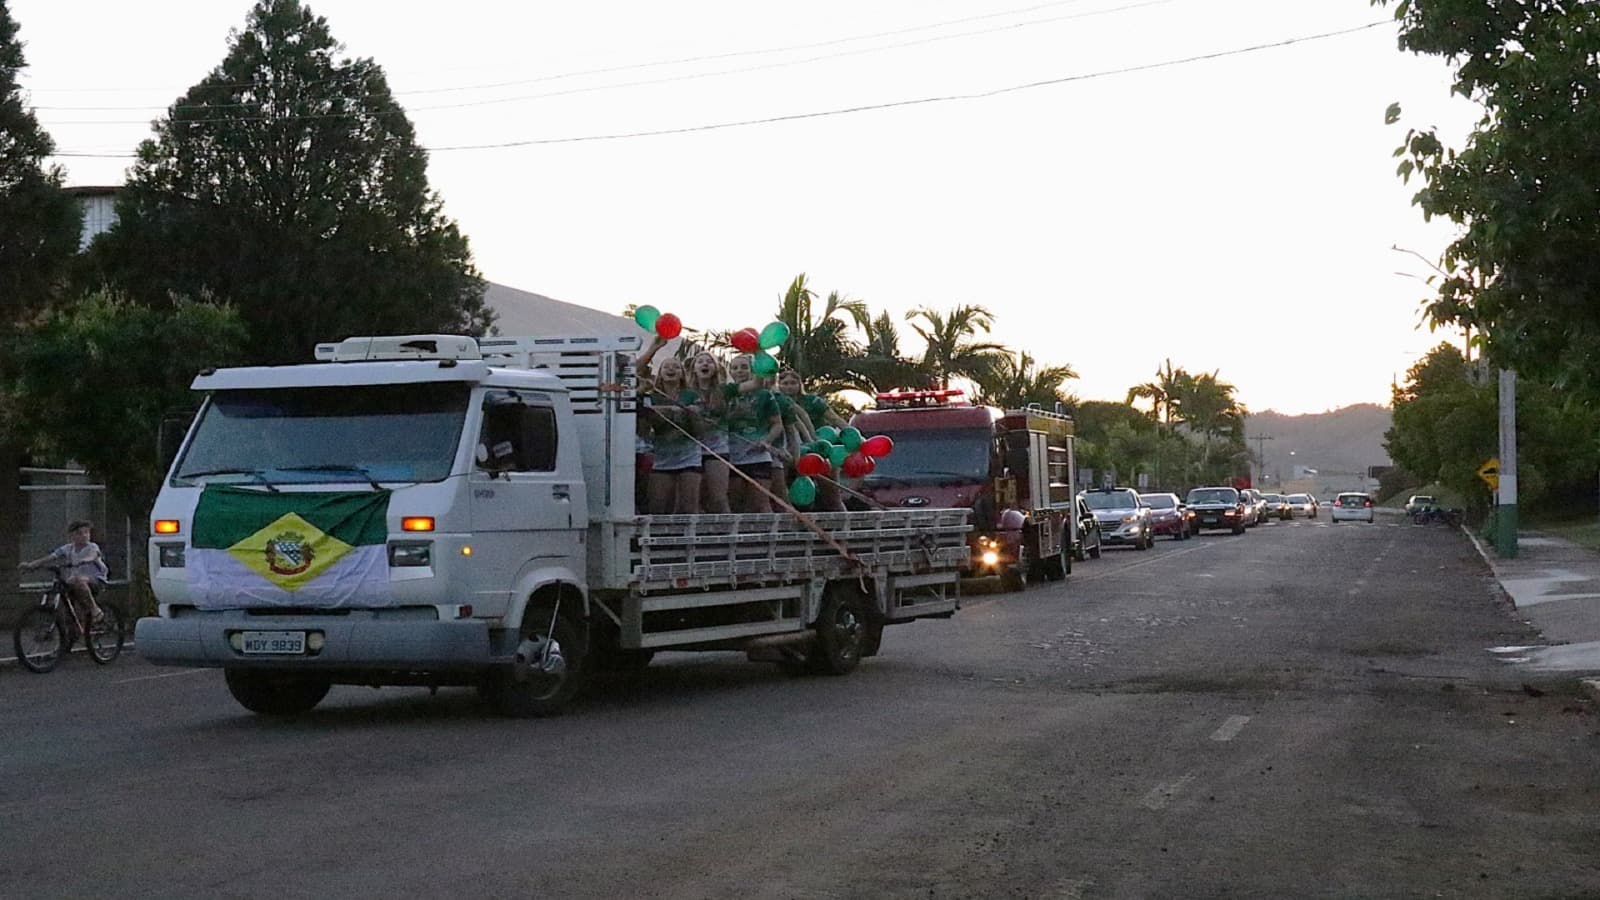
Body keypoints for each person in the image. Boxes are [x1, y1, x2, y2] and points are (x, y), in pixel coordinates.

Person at [638, 352, 702, 514]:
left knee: (688, 506)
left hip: (689, 456)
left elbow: (699, 430)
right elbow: (643, 414)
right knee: (657, 506)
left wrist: (693, 414)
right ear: (660, 373)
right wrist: (668, 409)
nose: (671, 369)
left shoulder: (692, 395)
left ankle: (689, 538)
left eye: (676, 367)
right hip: (662, 457)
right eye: (666, 366)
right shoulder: (652, 396)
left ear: (682, 373)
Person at [723, 354, 785, 513]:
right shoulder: (725, 393)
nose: (739, 371)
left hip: (758, 454)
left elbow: (777, 424)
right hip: (732, 454)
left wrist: (766, 441)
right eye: (735, 368)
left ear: (752, 370)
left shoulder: (765, 394)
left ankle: (771, 537)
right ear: (730, 371)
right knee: (735, 503)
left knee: (760, 503)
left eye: (744, 367)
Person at [19, 520, 108, 627]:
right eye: (79, 533)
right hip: (76, 581)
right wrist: (31, 565)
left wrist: (85, 560)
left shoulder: (92, 547)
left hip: (95, 580)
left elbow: (94, 555)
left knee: (78, 580)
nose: (84, 535)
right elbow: (50, 557)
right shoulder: (68, 548)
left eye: (86, 532)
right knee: (66, 588)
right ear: (72, 536)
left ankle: (95, 609)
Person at [688, 351, 732, 514]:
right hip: (689, 450)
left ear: (716, 368)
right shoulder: (686, 392)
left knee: (719, 498)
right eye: (700, 361)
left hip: (717, 449)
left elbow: (753, 385)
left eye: (709, 362)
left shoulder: (724, 391)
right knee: (693, 501)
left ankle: (729, 535)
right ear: (693, 368)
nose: (705, 364)